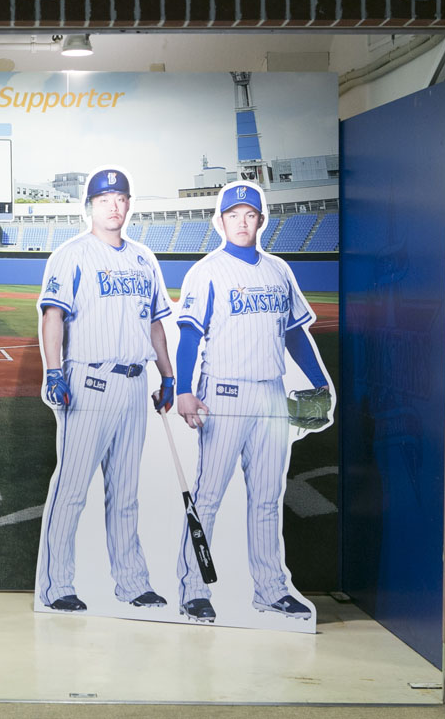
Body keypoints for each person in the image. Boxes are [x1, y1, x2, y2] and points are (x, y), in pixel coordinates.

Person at [174, 180, 332, 624]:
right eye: (233, 215)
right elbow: (190, 335)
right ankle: (193, 589)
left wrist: (320, 383)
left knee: (267, 496)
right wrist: (184, 390)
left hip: (271, 394)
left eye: (249, 215)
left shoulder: (279, 270)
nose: (242, 222)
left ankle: (271, 590)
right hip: (223, 392)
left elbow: (294, 333)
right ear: (220, 221)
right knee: (208, 496)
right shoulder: (207, 271)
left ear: (261, 220)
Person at [35, 166, 175, 613]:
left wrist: (168, 376)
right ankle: (57, 586)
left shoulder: (144, 259)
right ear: (90, 207)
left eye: (120, 198)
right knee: (72, 490)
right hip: (89, 382)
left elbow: (155, 324)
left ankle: (132, 583)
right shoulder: (72, 255)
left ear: (129, 204)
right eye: (104, 200)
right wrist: (53, 372)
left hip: (135, 385)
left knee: (126, 494)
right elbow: (53, 316)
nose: (113, 206)